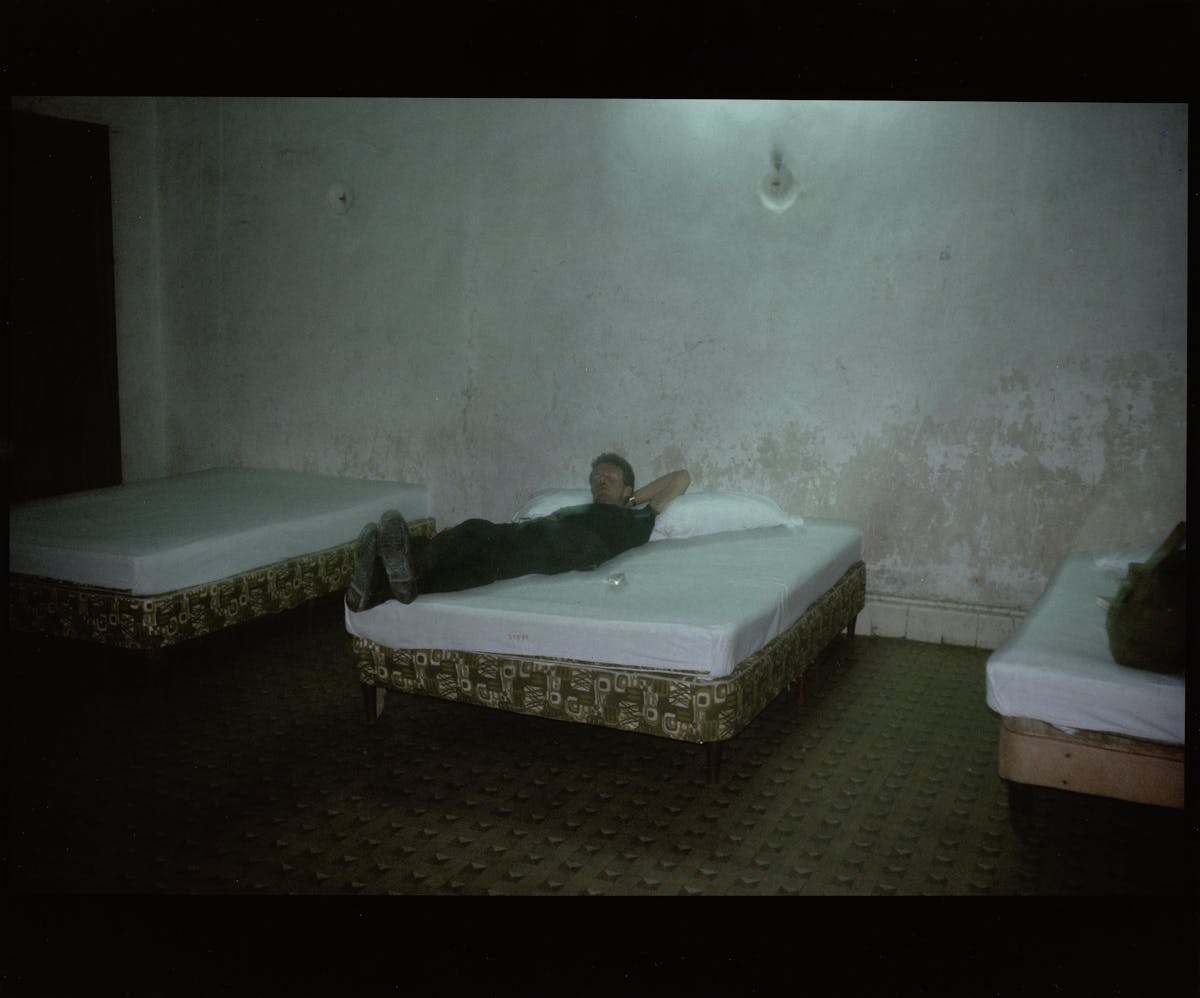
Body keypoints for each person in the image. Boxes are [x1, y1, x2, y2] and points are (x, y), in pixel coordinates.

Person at [345, 453, 690, 610]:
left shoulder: (638, 518)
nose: (600, 481)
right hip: (539, 537)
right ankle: (384, 586)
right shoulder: (578, 508)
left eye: (610, 478)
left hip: (577, 546)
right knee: (477, 557)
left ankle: (400, 560)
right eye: (597, 477)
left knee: (480, 541)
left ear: (627, 487)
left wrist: (632, 499)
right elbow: (537, 526)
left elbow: (681, 478)